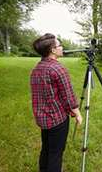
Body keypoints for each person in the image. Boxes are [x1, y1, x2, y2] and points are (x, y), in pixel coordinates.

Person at [30, 33, 83, 172]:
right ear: (53, 50)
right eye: (59, 45)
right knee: (55, 154)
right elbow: (69, 97)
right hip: (57, 119)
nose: (61, 47)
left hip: (42, 119)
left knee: (46, 149)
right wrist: (78, 114)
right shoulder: (58, 68)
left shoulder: (36, 68)